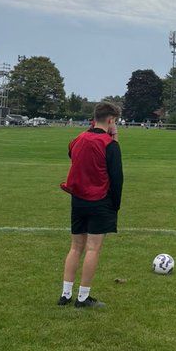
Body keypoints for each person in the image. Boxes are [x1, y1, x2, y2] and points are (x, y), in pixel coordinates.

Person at [58, 100, 124, 308]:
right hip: (100, 201)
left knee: (75, 247)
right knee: (93, 249)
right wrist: (115, 206)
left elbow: (73, 154)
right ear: (111, 120)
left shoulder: (78, 139)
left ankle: (65, 294)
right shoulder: (109, 145)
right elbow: (117, 178)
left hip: (78, 200)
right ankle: (83, 297)